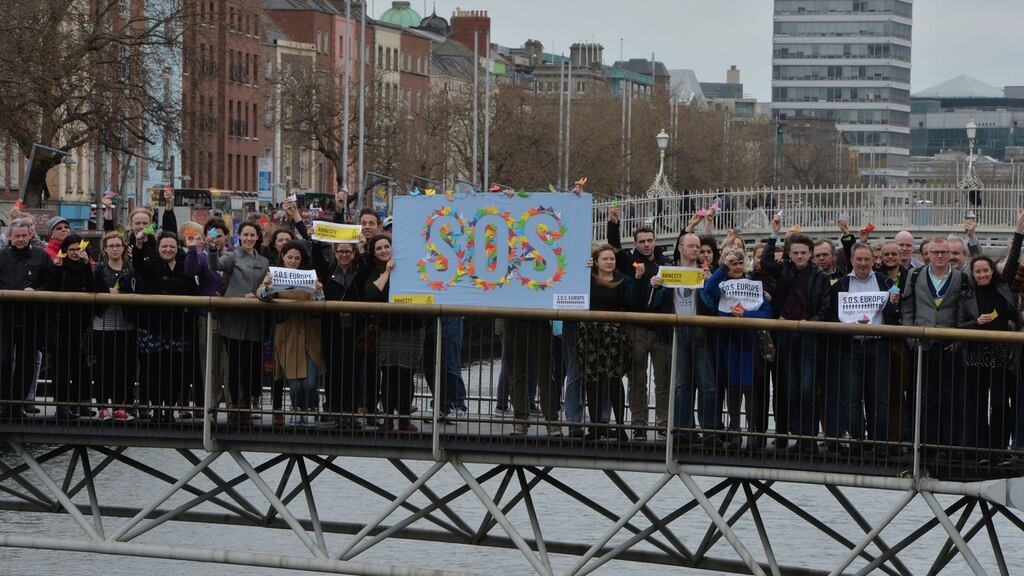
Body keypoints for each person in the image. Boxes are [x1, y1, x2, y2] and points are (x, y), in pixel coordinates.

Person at [761, 216, 831, 453]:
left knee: (807, 387)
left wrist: (808, 324)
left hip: (808, 336)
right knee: (788, 386)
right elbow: (765, 262)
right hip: (785, 334)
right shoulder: (784, 269)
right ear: (790, 254)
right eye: (795, 253)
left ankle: (808, 437)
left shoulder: (820, 276)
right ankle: (793, 433)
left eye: (803, 253)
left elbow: (824, 308)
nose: (799, 256)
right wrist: (774, 235)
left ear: (810, 253)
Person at [827, 243, 900, 455]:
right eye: (859, 259)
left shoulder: (885, 282)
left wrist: (894, 303)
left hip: (879, 345)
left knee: (880, 398)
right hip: (851, 346)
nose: (863, 263)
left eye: (867, 259)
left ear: (873, 261)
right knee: (852, 397)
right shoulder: (840, 285)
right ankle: (858, 442)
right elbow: (832, 316)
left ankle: (880, 443)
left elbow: (895, 315)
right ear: (851, 261)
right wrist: (847, 327)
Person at [607, 205, 671, 437]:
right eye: (642, 241)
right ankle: (639, 425)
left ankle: (663, 424)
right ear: (635, 243)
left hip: (660, 330)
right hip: (636, 329)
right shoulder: (630, 262)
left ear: (655, 242)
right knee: (636, 379)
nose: (646, 244)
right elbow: (614, 248)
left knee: (663, 380)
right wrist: (614, 224)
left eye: (649, 240)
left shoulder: (665, 265)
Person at [651, 231, 719, 445]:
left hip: (700, 331)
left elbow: (713, 306)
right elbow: (653, 305)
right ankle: (683, 430)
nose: (696, 250)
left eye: (698, 246)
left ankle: (709, 432)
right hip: (676, 331)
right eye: (691, 246)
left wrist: (709, 283)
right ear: (680, 248)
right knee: (680, 384)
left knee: (707, 384)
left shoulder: (707, 272)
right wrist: (656, 287)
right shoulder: (667, 271)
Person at [901, 237, 968, 452]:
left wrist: (958, 338)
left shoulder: (961, 278)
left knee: (951, 397)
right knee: (923, 397)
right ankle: (926, 445)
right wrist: (911, 340)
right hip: (923, 345)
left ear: (950, 254)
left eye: (944, 252)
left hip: (949, 345)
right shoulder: (915, 275)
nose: (939, 256)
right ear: (927, 254)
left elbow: (962, 309)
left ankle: (949, 444)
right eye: (935, 252)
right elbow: (908, 308)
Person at [208, 221, 270, 426]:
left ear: (258, 237)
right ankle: (236, 407)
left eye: (253, 235)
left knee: (251, 365)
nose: (249, 238)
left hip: (254, 319)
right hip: (233, 318)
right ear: (239, 236)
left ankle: (248, 404)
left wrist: (262, 292)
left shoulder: (264, 260)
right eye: (246, 235)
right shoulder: (232, 255)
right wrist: (212, 250)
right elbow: (216, 265)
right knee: (234, 364)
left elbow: (268, 285)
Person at [959, 252, 1020, 455]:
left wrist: (1019, 232)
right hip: (976, 354)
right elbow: (959, 327)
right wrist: (976, 323)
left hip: (1001, 353)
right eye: (978, 271)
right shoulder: (966, 295)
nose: (983, 274)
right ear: (973, 274)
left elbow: (1011, 264)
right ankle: (980, 448)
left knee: (1000, 403)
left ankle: (999, 448)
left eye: (986, 270)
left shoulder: (1002, 287)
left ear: (992, 272)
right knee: (977, 403)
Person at [134, 232, 199, 423]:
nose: (168, 250)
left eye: (172, 246)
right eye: (164, 246)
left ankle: (170, 408)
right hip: (153, 326)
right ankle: (155, 409)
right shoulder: (151, 265)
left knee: (175, 370)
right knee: (152, 369)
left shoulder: (184, 267)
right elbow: (137, 264)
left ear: (177, 248)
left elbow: (193, 289)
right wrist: (138, 244)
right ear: (158, 248)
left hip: (179, 328)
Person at [259, 241, 325, 426]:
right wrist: (267, 287)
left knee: (311, 382)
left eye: (297, 258)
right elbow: (262, 295)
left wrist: (318, 291)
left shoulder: (311, 277)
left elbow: (321, 302)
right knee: (295, 384)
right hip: (287, 337)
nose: (293, 261)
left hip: (309, 335)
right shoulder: (274, 275)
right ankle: (297, 410)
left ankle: (310, 410)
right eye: (290, 257)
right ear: (283, 257)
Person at [364, 235, 422, 432]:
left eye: (386, 246)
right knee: (388, 374)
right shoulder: (374, 270)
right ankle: (388, 419)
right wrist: (387, 271)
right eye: (378, 248)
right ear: (374, 252)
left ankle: (404, 419)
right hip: (387, 328)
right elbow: (373, 293)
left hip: (411, 327)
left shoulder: (406, 264)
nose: (383, 250)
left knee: (407, 375)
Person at [577, 244, 635, 441]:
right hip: (590, 334)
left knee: (614, 380)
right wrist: (581, 269)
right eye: (605, 259)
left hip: (613, 335)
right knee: (592, 382)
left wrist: (636, 280)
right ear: (596, 262)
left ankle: (619, 427)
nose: (610, 262)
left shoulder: (622, 280)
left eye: (612, 259)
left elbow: (631, 302)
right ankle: (595, 427)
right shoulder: (587, 280)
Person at [312, 231, 366, 429]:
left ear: (353, 254)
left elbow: (367, 266)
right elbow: (317, 258)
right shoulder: (328, 273)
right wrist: (316, 240)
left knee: (354, 372)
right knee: (334, 371)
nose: (344, 255)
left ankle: (351, 413)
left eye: (348, 251)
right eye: (340, 251)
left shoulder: (359, 273)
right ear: (334, 253)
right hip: (333, 330)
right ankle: (333, 411)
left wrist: (362, 249)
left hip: (354, 330)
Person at [0, 218, 50, 418]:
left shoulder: (41, 256)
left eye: (24, 235)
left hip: (31, 318)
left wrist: (36, 291)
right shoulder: (1, 256)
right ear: (10, 237)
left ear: (30, 235)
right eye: (17, 236)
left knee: (26, 362)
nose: (20, 239)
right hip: (4, 317)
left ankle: (17, 404)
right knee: (3, 360)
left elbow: (51, 282)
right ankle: (3, 403)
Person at [44, 234, 96, 419]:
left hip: (82, 323)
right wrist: (58, 266)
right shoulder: (59, 267)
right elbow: (51, 286)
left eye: (78, 249)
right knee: (61, 366)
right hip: (61, 323)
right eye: (71, 250)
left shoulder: (86, 267)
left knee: (82, 365)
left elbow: (92, 287)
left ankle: (81, 403)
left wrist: (86, 265)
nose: (75, 253)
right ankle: (62, 405)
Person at [93, 231, 140, 422]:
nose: (114, 249)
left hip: (126, 325)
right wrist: (107, 291)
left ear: (123, 248)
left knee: (125, 368)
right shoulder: (98, 269)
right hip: (102, 325)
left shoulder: (130, 270)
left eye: (118, 245)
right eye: (111, 246)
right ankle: (103, 406)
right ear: (105, 248)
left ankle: (122, 406)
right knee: (103, 367)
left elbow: (139, 288)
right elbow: (91, 286)